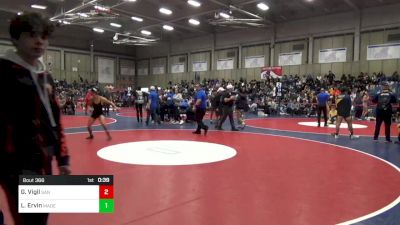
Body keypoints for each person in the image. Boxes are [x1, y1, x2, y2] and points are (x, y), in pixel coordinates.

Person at [0, 12, 71, 225]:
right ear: (15, 38)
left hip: (42, 159)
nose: (39, 41)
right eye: (32, 35)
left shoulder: (45, 76)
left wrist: (63, 158)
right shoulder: (3, 72)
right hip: (14, 162)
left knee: (39, 217)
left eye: (43, 36)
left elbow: (55, 119)